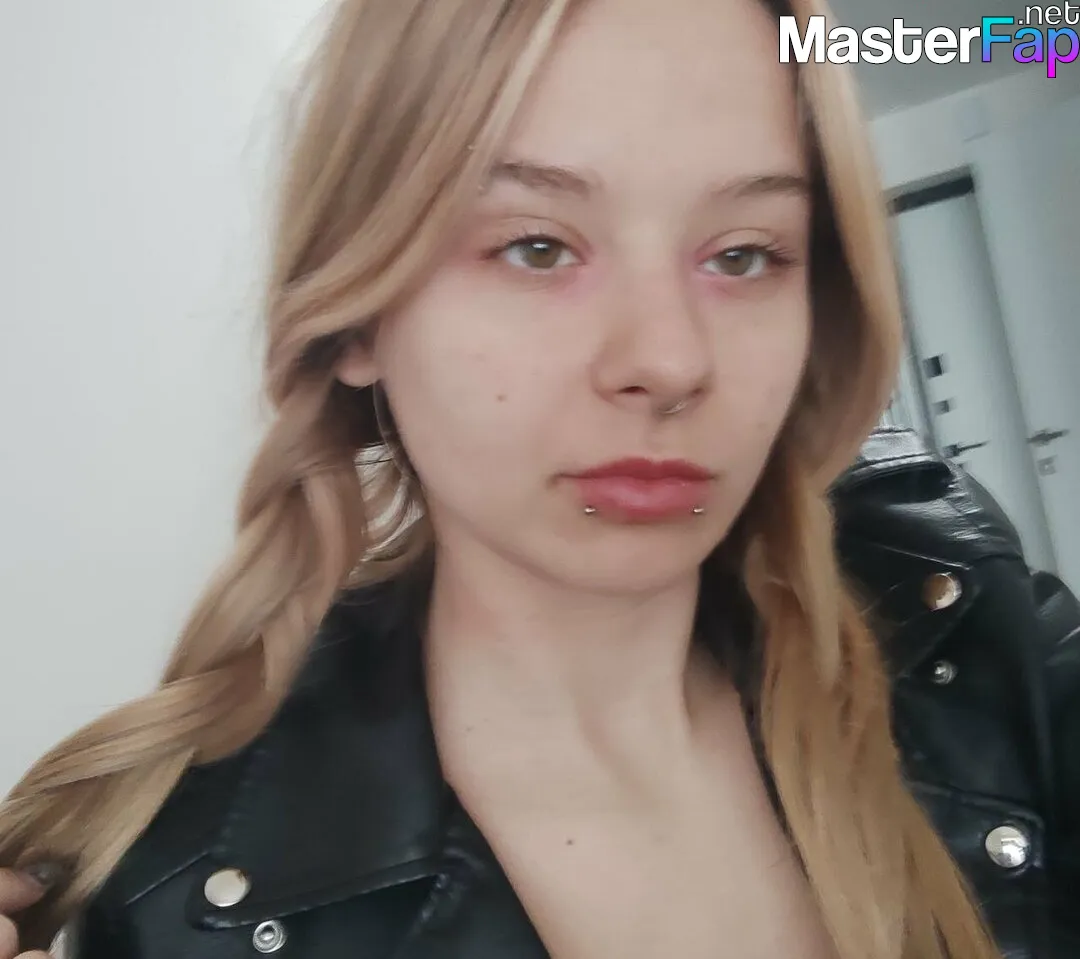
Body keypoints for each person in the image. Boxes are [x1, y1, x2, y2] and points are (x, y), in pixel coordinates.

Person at [1, 0, 1078, 956]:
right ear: (356, 317)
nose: (669, 360)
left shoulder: (965, 619)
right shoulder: (174, 890)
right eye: (536, 247)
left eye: (743, 254)